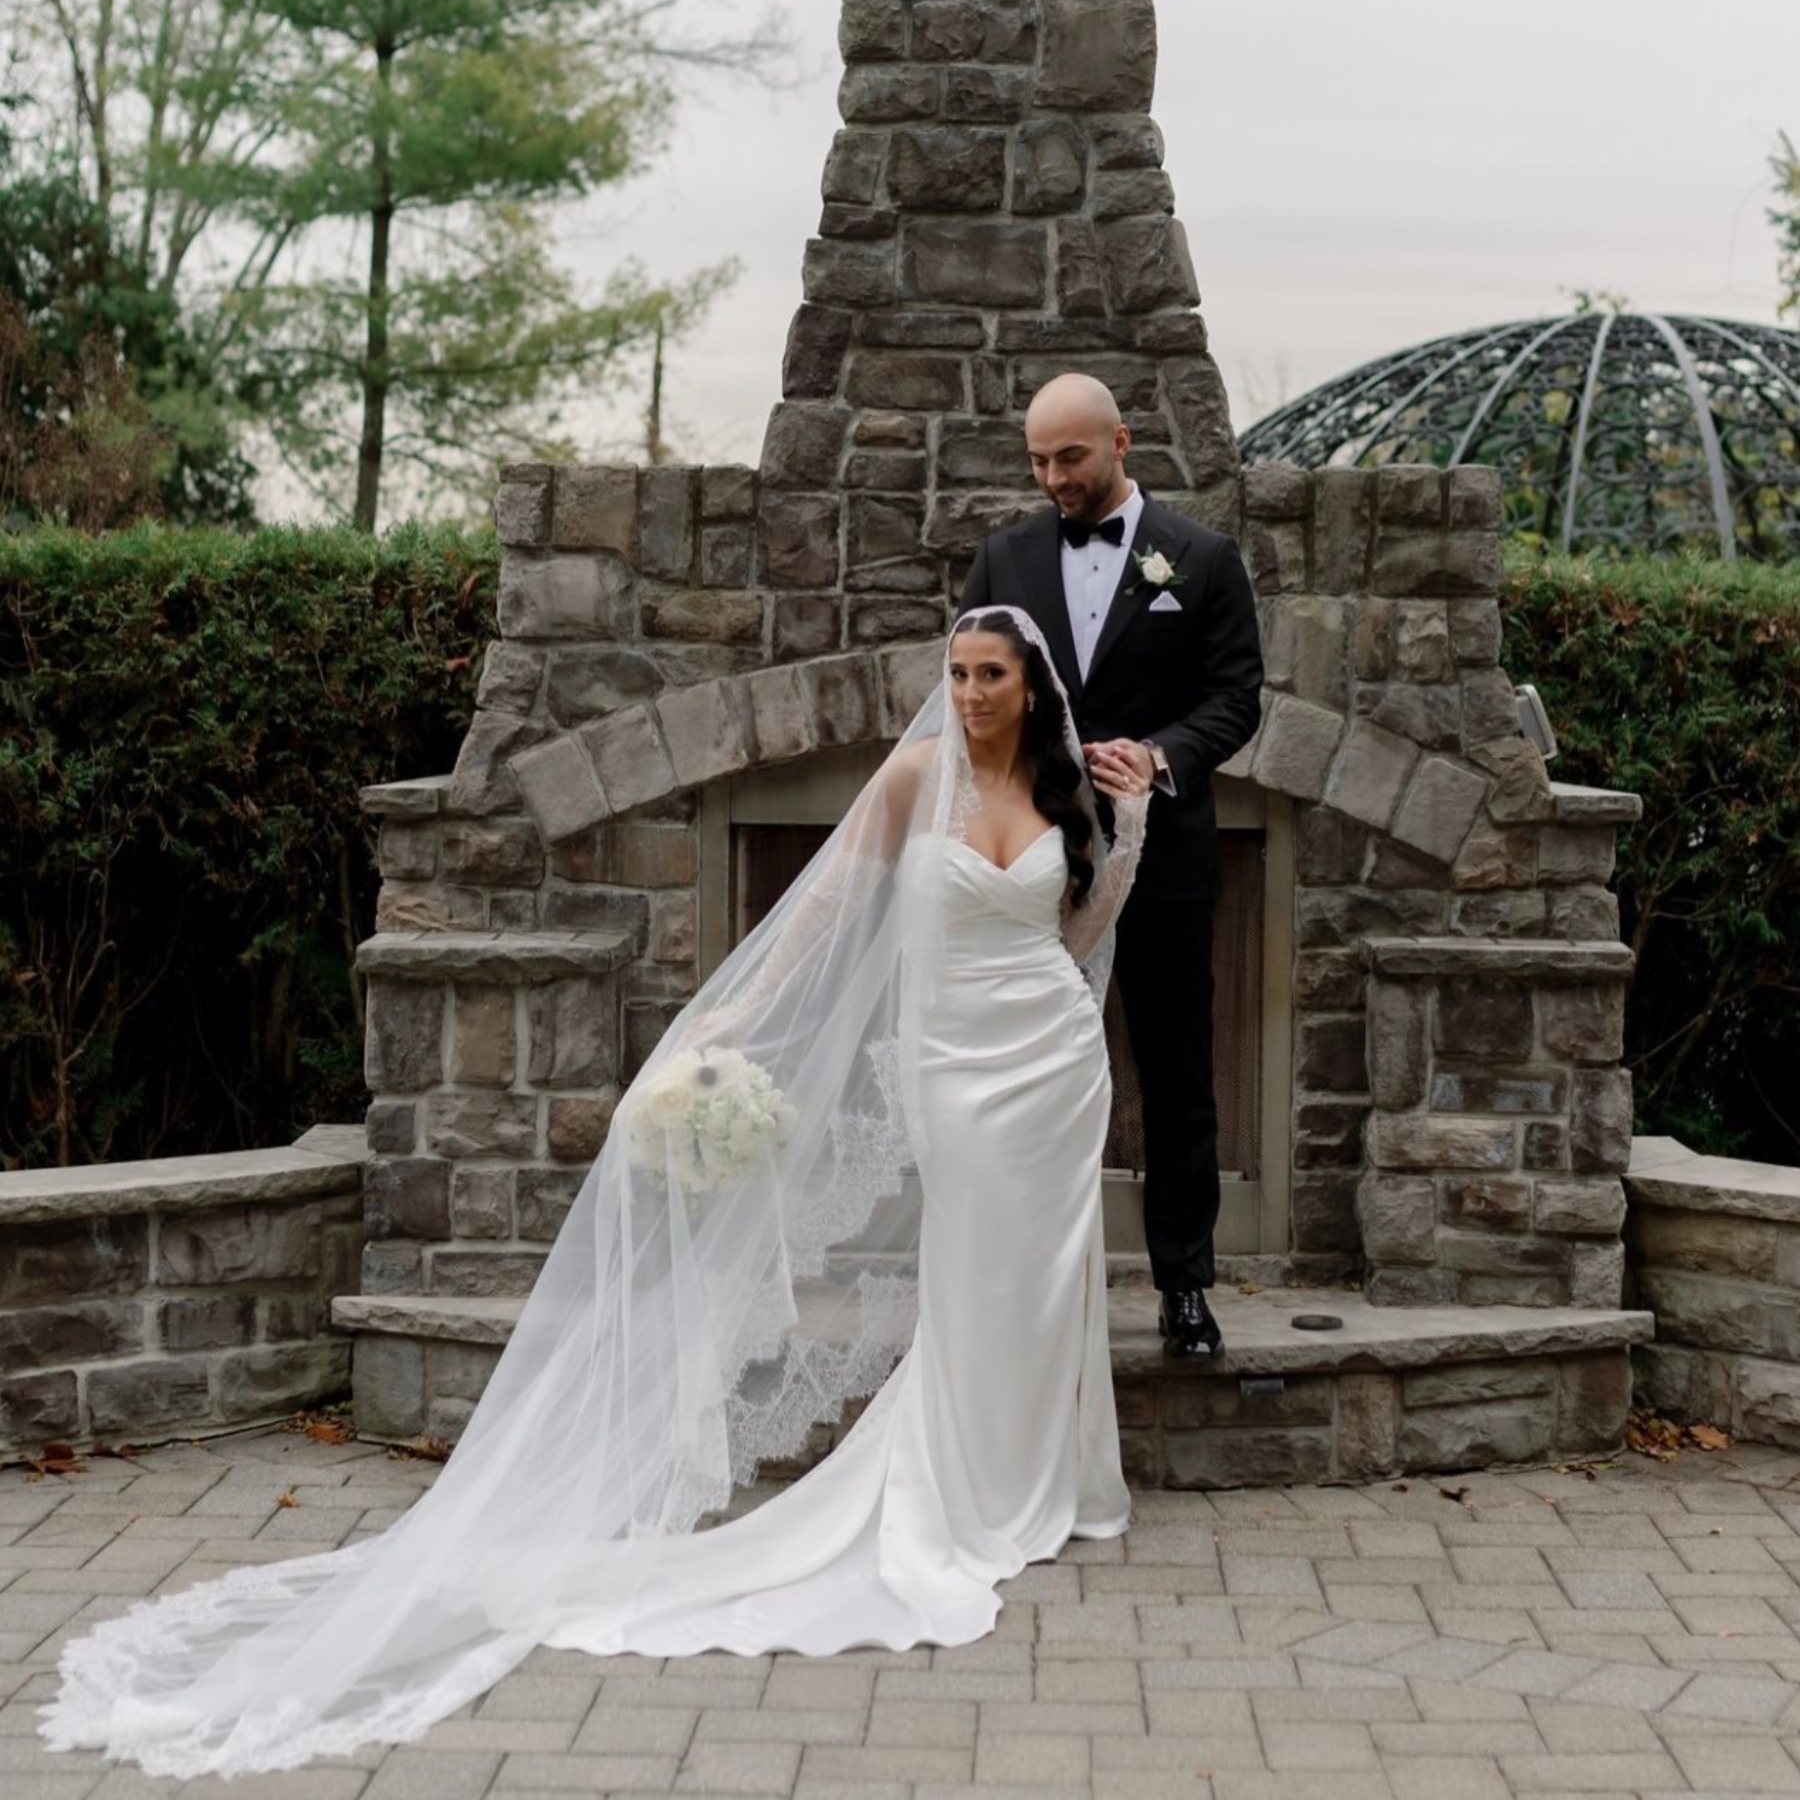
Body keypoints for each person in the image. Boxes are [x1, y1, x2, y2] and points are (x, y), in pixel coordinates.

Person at [42, 607, 1151, 1779]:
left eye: (990, 675)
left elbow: (1077, 932)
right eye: (959, 672)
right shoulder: (915, 778)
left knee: (1047, 1272)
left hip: (1050, 1058)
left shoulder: (1063, 787)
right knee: (971, 1273)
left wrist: (1126, 830)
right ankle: (966, 1492)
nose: (970, 692)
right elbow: (826, 907)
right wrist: (728, 1016)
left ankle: (1047, 1479)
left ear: (1030, 687)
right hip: (951, 1067)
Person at [960, 374, 1265, 1363]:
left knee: (1175, 1071)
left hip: (1162, 857)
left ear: (1121, 442)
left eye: (1071, 458)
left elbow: (1237, 696)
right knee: (1024, 1073)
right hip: (1035, 861)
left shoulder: (1203, 558)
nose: (1053, 478)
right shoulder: (1003, 558)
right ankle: (1021, 1284)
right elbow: (971, 695)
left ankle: (1185, 1284)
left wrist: (1160, 755)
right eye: (1038, 461)